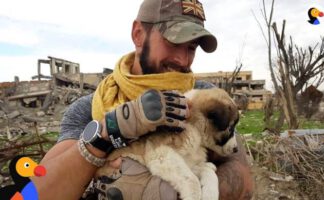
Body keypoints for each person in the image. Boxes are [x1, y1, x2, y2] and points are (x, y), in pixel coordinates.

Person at [32, 0, 253, 199]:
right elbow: (38, 193)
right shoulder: (89, 108)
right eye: (174, 42)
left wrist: (170, 192)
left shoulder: (204, 100)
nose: (183, 59)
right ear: (138, 34)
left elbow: (243, 177)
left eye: (192, 48)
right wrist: (108, 133)